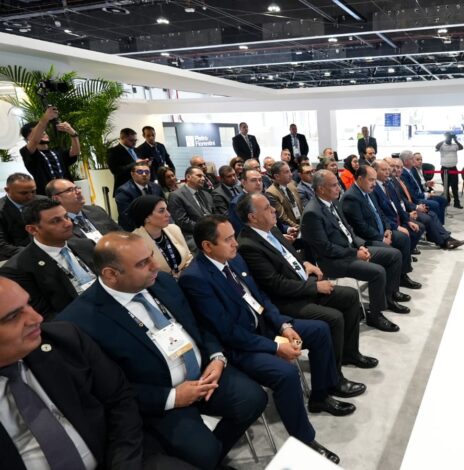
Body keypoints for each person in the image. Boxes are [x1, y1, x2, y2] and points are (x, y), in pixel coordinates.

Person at [57, 232, 267, 469]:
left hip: (205, 374)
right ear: (111, 274)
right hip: (158, 396)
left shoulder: (163, 282)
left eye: (151, 256)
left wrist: (216, 357)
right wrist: (172, 397)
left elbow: (199, 323)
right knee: (203, 452)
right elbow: (107, 390)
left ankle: (214, 456)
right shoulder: (79, 322)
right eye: (142, 263)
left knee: (253, 400)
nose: (155, 265)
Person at [179, 216, 351, 464]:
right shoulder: (196, 278)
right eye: (228, 240)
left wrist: (283, 325)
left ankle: (321, 395)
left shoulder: (234, 259)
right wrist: (275, 347)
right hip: (238, 346)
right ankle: (304, 440)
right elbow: (226, 331)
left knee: (320, 330)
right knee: (286, 374)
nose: (235, 243)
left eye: (234, 237)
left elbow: (260, 297)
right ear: (207, 246)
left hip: (264, 326)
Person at [0, 276, 196, 470]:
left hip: (116, 458)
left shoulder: (65, 340)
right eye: (13, 316)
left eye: (28, 304)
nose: (37, 318)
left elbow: (120, 399)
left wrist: (123, 462)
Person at [236, 193, 377, 371]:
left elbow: (288, 257)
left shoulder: (272, 230)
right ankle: (333, 375)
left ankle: (349, 354)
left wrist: (304, 263)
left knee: (350, 296)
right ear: (252, 217)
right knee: (334, 318)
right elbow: (275, 284)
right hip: (286, 301)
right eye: (266, 208)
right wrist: (314, 286)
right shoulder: (248, 245)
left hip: (301, 285)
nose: (273, 210)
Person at [301, 170, 409, 333]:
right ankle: (375, 315)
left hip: (350, 250)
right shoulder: (312, 213)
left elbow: (349, 230)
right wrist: (355, 253)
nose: (339, 188)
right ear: (321, 189)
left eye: (338, 184)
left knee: (394, 255)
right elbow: (325, 248)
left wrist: (360, 246)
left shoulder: (333, 202)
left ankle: (389, 297)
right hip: (332, 261)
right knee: (378, 272)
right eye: (334, 185)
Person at [0, 199, 96, 319]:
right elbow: (44, 316)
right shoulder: (18, 269)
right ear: (33, 229)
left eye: (66, 216)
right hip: (75, 323)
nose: (68, 223)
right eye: (56, 221)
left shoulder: (86, 245)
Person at [342, 165, 421, 289]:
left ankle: (402, 276)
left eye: (375, 180)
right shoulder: (351, 197)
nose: (374, 184)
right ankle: (391, 289)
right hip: (366, 239)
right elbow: (361, 227)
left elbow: (380, 213)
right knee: (393, 252)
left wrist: (388, 228)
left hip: (381, 232)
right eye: (371, 180)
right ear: (360, 179)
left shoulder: (368, 191)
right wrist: (382, 238)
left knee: (403, 238)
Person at [387, 158, 464, 250]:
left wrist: (417, 205)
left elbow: (407, 198)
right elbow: (402, 201)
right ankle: (444, 241)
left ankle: (445, 237)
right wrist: (415, 208)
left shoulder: (397, 180)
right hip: (407, 210)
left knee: (432, 213)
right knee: (428, 216)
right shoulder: (392, 182)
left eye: (400, 167)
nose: (398, 169)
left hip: (411, 205)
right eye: (395, 167)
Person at [19, 106, 80, 195]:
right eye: (39, 131)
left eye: (44, 130)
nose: (43, 132)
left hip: (69, 194)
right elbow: (35, 140)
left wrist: (73, 133)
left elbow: (75, 152)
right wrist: (46, 117)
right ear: (28, 138)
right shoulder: (27, 152)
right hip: (46, 197)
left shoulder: (57, 151)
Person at [129, 195, 193, 278]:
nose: (168, 214)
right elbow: (141, 275)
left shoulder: (174, 229)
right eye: (162, 211)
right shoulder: (134, 242)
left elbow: (188, 257)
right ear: (146, 218)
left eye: (167, 209)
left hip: (185, 278)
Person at [372, 160, 426, 251]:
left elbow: (398, 206)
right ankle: (404, 255)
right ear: (375, 171)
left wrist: (408, 221)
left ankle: (407, 252)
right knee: (404, 235)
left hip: (397, 219)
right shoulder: (373, 188)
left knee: (418, 228)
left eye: (388, 169)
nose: (387, 172)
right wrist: (396, 227)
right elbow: (380, 214)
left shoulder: (388, 184)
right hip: (388, 224)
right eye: (384, 170)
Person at [46, 178, 120, 242]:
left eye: (77, 188)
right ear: (56, 198)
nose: (79, 191)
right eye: (70, 190)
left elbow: (120, 233)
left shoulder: (96, 210)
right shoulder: (59, 225)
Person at [0, 173, 46, 261]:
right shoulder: (2, 211)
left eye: (33, 191)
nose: (30, 196)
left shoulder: (44, 202)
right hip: (15, 257)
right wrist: (34, 252)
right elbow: (2, 246)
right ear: (7, 190)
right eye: (24, 193)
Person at [167, 166, 215, 247]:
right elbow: (182, 221)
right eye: (199, 176)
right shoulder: (176, 196)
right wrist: (204, 227)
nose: (203, 179)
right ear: (188, 177)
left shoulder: (206, 194)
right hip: (191, 234)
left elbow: (213, 213)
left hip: (211, 231)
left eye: (204, 176)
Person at [399, 151, 447, 224]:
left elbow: (418, 186)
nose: (414, 160)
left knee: (442, 200)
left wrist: (426, 186)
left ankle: (440, 225)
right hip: (416, 199)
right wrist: (426, 195)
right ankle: (436, 226)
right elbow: (412, 194)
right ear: (406, 162)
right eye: (412, 159)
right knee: (435, 204)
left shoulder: (411, 170)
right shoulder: (404, 174)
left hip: (420, 194)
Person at [115, 161, 164, 231]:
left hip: (156, 227)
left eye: (147, 172)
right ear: (132, 174)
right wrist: (147, 229)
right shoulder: (123, 191)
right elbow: (127, 217)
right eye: (140, 172)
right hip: (133, 230)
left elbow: (164, 208)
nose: (144, 174)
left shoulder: (157, 188)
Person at [265, 161, 305, 229]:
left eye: (290, 171)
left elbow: (301, 207)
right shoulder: (271, 193)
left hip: (302, 223)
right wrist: (299, 228)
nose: (291, 174)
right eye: (287, 172)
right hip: (292, 229)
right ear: (277, 176)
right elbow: (283, 217)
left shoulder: (292, 184)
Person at [107, 128, 143, 196]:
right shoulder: (113, 151)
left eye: (135, 140)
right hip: (124, 189)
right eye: (131, 140)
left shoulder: (137, 150)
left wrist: (145, 164)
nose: (134, 142)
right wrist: (135, 163)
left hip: (140, 187)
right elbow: (115, 170)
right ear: (122, 138)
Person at [436, 131, 464, 208]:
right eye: (447, 137)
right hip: (444, 168)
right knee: (446, 186)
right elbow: (437, 147)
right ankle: (447, 201)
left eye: (450, 137)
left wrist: (456, 140)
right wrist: (445, 139)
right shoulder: (442, 145)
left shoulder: (455, 145)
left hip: (453, 168)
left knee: (455, 187)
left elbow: (461, 147)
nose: (449, 138)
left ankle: (456, 203)